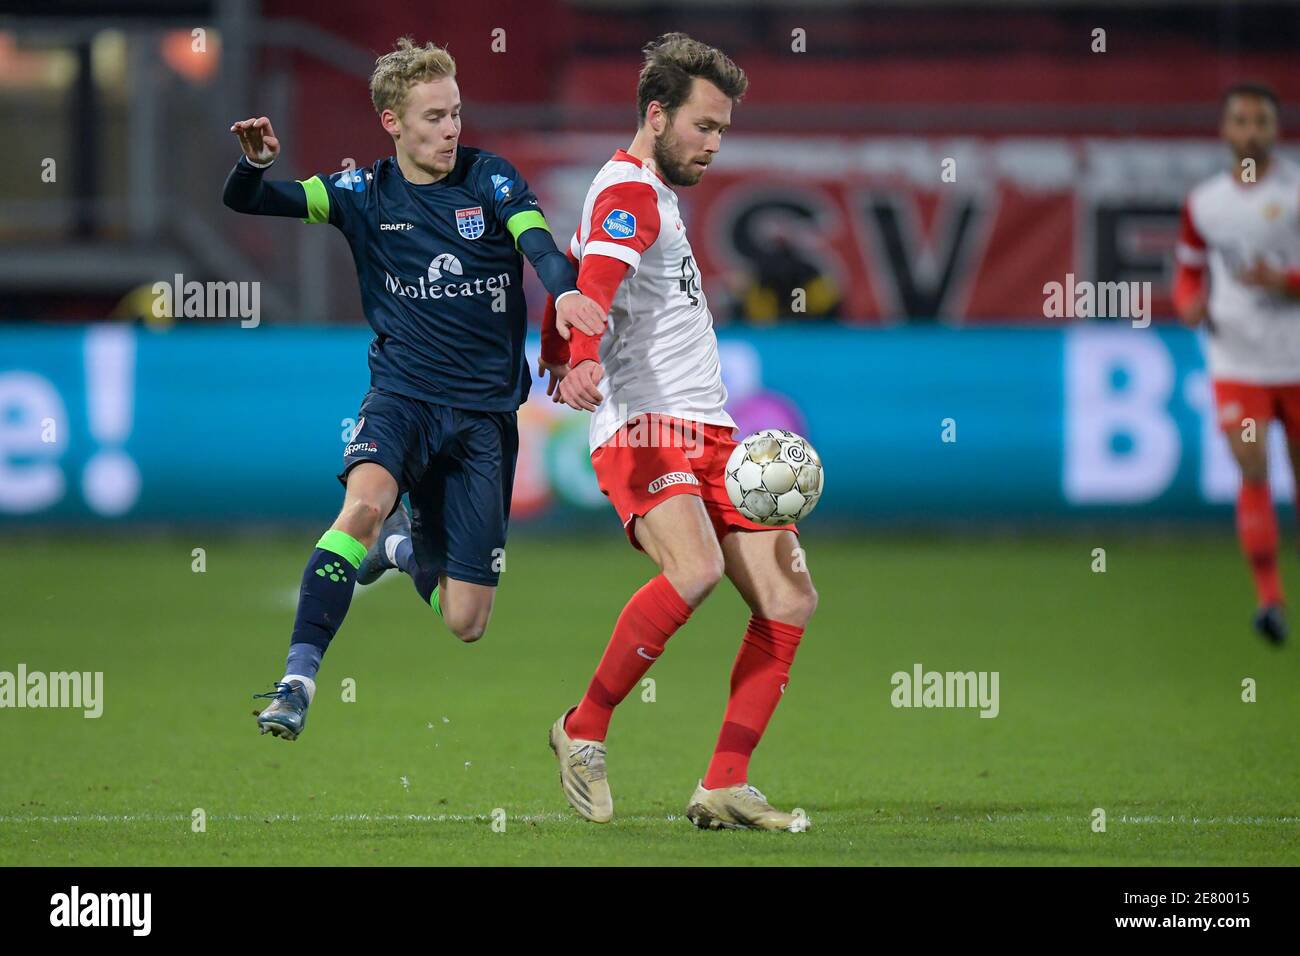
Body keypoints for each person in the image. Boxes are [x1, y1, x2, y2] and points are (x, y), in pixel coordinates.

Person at [223, 37, 605, 739]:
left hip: (486, 416)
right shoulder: (360, 195)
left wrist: (569, 295)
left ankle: (399, 550)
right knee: (362, 506)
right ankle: (297, 680)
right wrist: (254, 164)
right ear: (392, 123)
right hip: (401, 397)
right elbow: (247, 201)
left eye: (455, 113)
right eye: (433, 117)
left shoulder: (490, 181)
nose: (450, 129)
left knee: (466, 622)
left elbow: (541, 248)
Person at [542, 33, 818, 830]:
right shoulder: (628, 192)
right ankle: (582, 727)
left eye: (723, 130)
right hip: (645, 427)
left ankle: (725, 782)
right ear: (656, 114)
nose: (713, 143)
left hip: (714, 432)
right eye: (703, 126)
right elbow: (595, 280)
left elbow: (569, 273)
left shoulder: (637, 194)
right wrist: (585, 359)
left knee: (789, 598)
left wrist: (563, 352)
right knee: (694, 571)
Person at [1174, 81, 1300, 646]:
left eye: (1262, 122)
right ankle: (1269, 600)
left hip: (1296, 362)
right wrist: (1187, 303)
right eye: (1242, 121)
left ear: (1276, 130)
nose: (1252, 131)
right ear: (1225, 131)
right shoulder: (1205, 204)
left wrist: (1287, 281)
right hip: (1237, 361)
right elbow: (1187, 270)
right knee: (1251, 465)